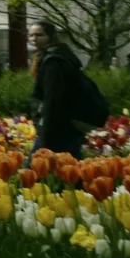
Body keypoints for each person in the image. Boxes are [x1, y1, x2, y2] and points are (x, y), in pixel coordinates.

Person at [31, 20, 90, 157]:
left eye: (39, 35)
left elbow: (52, 101)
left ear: (50, 37)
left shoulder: (53, 62)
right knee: (72, 165)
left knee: (34, 165)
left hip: (58, 127)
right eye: (31, 35)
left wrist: (45, 136)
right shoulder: (57, 55)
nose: (34, 39)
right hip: (67, 126)